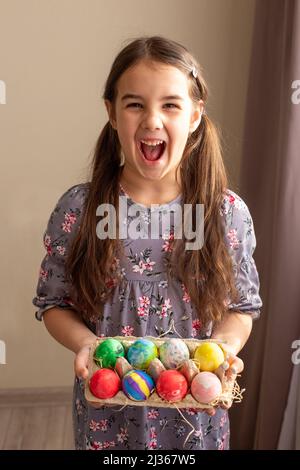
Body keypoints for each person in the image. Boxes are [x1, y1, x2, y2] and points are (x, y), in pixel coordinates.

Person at [32, 35, 262, 450]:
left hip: (195, 416)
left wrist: (223, 349)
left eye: (170, 104)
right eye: (135, 103)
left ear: (195, 114)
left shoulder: (224, 213)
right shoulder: (81, 209)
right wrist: (87, 343)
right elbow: (54, 303)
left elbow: (241, 307)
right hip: (107, 412)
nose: (152, 120)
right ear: (112, 113)